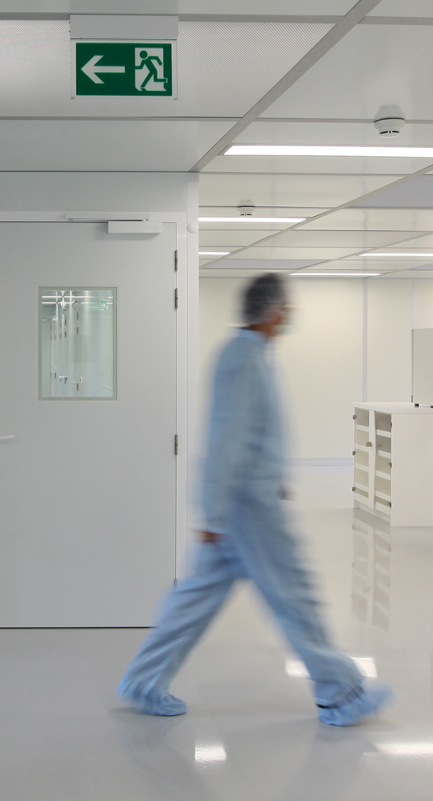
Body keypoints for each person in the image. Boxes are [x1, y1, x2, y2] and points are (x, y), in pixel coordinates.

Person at [117, 272, 392, 726]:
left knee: (195, 599)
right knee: (294, 595)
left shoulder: (251, 353)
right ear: (272, 310)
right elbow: (226, 437)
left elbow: (250, 432)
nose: (290, 314)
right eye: (287, 306)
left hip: (242, 501)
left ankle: (143, 681)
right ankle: (339, 692)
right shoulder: (242, 357)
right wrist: (214, 511)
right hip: (248, 506)